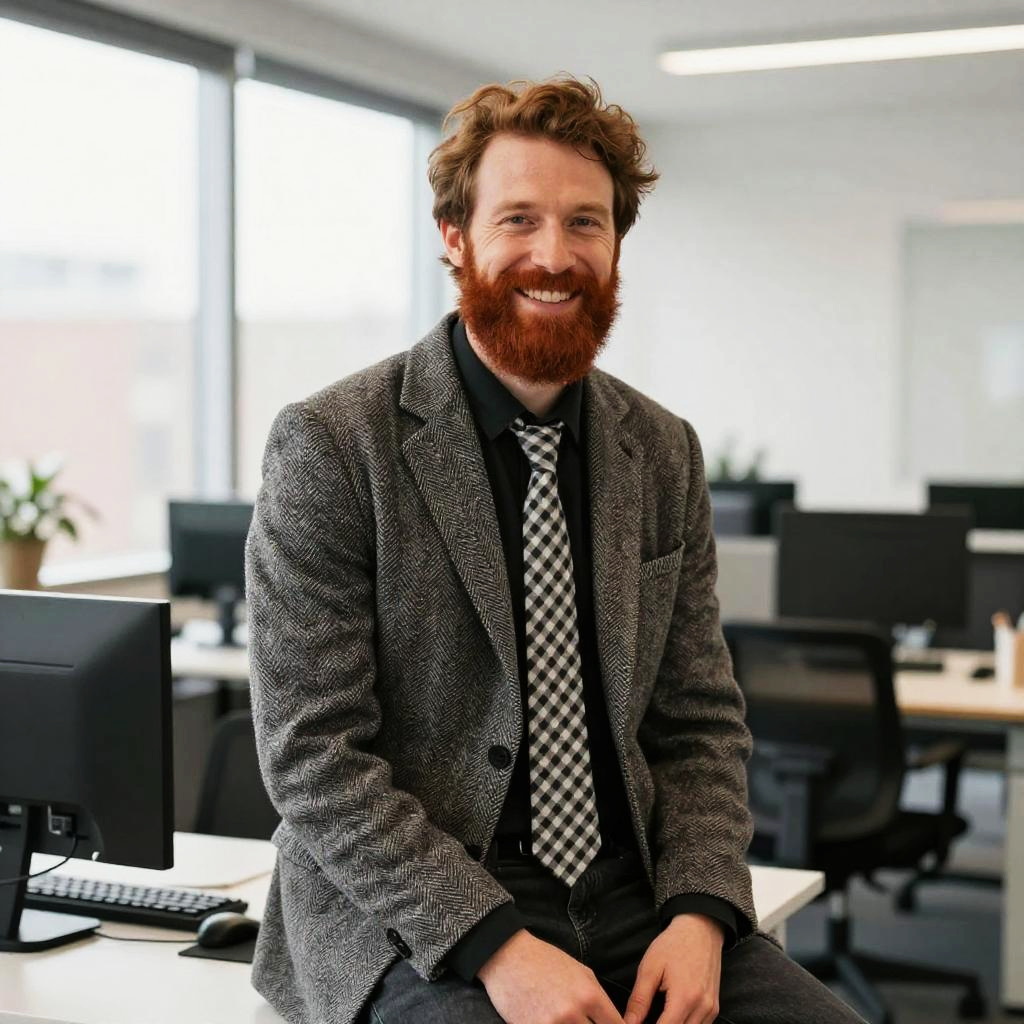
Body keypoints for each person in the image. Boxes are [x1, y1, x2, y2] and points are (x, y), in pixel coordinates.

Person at [246, 76, 863, 1024]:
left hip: (634, 900)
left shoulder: (661, 451)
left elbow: (699, 722)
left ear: (617, 243)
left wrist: (701, 911)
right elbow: (313, 756)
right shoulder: (333, 445)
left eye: (586, 222)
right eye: (519, 219)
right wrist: (492, 943)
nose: (554, 254)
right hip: (416, 912)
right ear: (456, 237)